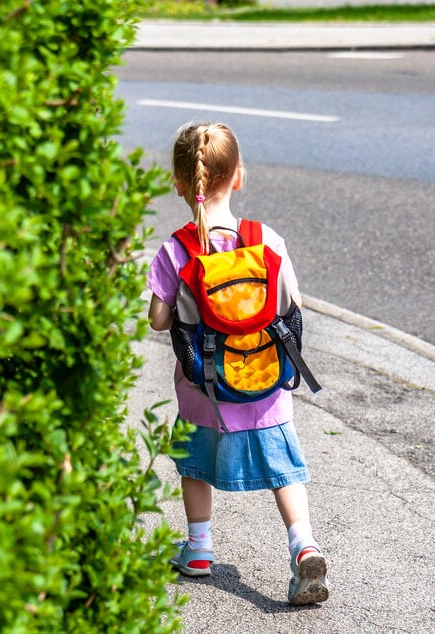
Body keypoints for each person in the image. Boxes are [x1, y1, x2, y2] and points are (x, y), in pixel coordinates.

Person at [146, 122, 329, 606]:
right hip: (265, 384)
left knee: (194, 466)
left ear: (180, 185)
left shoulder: (176, 249)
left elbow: (159, 321)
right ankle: (303, 545)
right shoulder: (264, 238)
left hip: (203, 390)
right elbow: (292, 302)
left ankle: (199, 549)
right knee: (284, 469)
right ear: (240, 177)